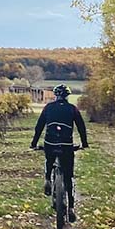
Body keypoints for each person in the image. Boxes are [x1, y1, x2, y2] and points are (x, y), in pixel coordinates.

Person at [31, 84, 89, 222]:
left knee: (49, 160)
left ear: (55, 95)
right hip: (66, 145)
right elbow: (81, 127)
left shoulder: (48, 108)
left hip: (50, 143)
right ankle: (71, 208)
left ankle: (47, 179)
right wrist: (84, 143)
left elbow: (39, 127)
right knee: (69, 176)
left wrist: (34, 143)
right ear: (67, 96)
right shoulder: (72, 109)